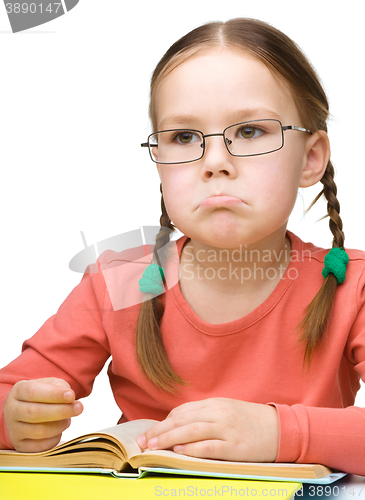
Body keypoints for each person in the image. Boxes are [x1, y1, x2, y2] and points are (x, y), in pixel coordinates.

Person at [1, 18, 365, 475]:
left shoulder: (352, 286)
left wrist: (278, 433)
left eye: (250, 131)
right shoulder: (119, 282)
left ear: (311, 158)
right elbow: (12, 394)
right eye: (184, 137)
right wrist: (17, 418)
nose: (215, 162)